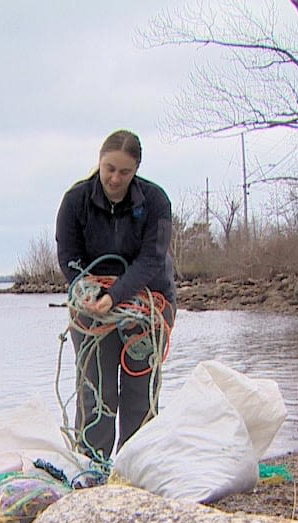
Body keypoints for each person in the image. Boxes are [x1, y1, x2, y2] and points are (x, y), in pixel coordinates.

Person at [56, 129, 176, 468]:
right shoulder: (75, 200)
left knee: (140, 394)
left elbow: (153, 259)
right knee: (97, 392)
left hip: (149, 303)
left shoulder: (156, 201)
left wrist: (117, 294)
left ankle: (136, 468)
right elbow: (69, 256)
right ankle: (93, 466)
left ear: (136, 169)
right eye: (109, 168)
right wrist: (89, 290)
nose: (114, 177)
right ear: (99, 161)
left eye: (124, 172)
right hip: (93, 309)